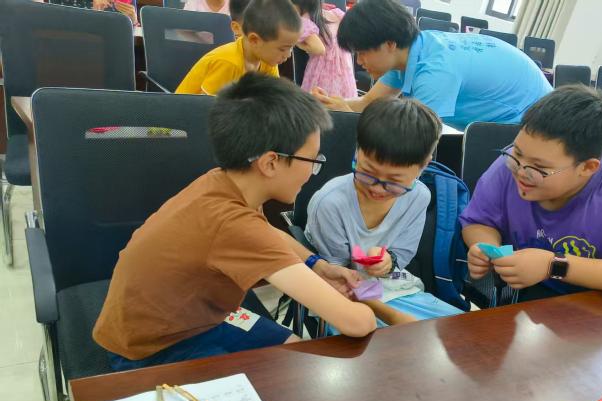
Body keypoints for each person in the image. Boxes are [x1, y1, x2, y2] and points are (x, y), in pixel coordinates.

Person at [94, 74, 376, 371]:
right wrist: (370, 303)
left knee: (297, 350)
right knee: (293, 373)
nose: (312, 172)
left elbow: (266, 233)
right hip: (156, 347)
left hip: (198, 316)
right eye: (313, 161)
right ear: (270, 163)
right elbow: (356, 323)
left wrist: (316, 266)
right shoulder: (232, 224)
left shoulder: (225, 182)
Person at [460, 85, 602, 302]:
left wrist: (553, 265)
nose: (520, 171)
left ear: (587, 167)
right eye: (517, 152)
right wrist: (487, 249)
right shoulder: (511, 165)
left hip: (596, 305)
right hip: (526, 297)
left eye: (539, 167)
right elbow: (479, 221)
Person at [305, 97, 463, 328]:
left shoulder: (418, 196)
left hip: (393, 286)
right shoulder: (330, 203)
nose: (377, 189)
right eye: (367, 173)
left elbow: (402, 254)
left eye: (394, 181)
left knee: (457, 332)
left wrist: (389, 262)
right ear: (358, 151)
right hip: (341, 293)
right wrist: (391, 316)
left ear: (424, 165)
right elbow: (337, 278)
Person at [312, 0, 552, 130]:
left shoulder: (435, 71)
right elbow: (367, 103)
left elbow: (416, 139)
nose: (360, 62)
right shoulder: (412, 51)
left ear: (389, 44)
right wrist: (335, 105)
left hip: (534, 121)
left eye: (362, 53)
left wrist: (348, 116)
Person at [176, 0, 300, 95]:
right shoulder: (228, 63)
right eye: (282, 49)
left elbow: (273, 96)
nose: (288, 55)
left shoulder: (268, 61)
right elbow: (204, 109)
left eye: (291, 48)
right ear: (254, 40)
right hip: (181, 118)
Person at [291, 0, 357, 98]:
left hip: (323, 71)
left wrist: (297, 42)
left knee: (320, 100)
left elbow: (319, 49)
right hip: (345, 70)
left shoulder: (304, 21)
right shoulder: (335, 13)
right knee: (341, 101)